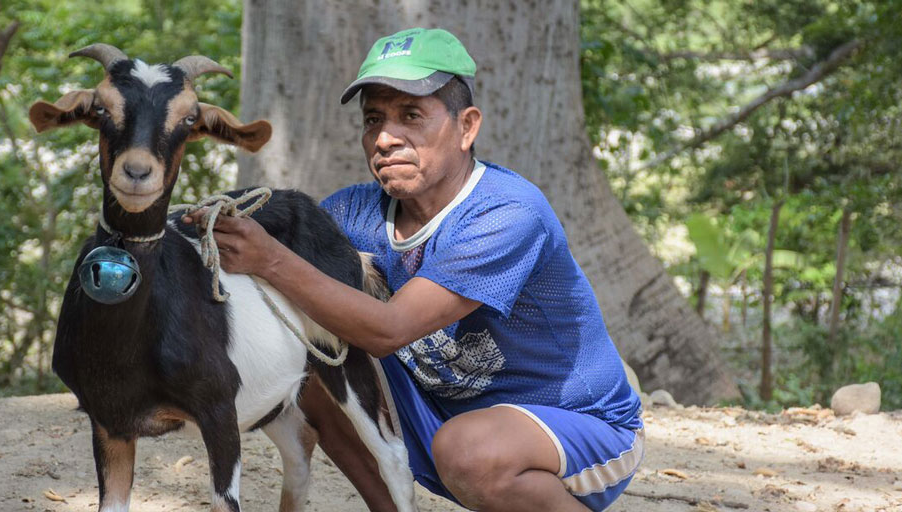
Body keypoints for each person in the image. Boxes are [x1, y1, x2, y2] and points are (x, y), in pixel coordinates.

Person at [186, 28, 643, 512]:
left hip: (577, 428)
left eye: (411, 116)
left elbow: (390, 330)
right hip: (438, 419)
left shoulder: (507, 213)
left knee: (468, 451)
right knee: (316, 374)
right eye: (373, 119)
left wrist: (271, 258)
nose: (385, 138)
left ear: (467, 128)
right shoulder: (352, 214)